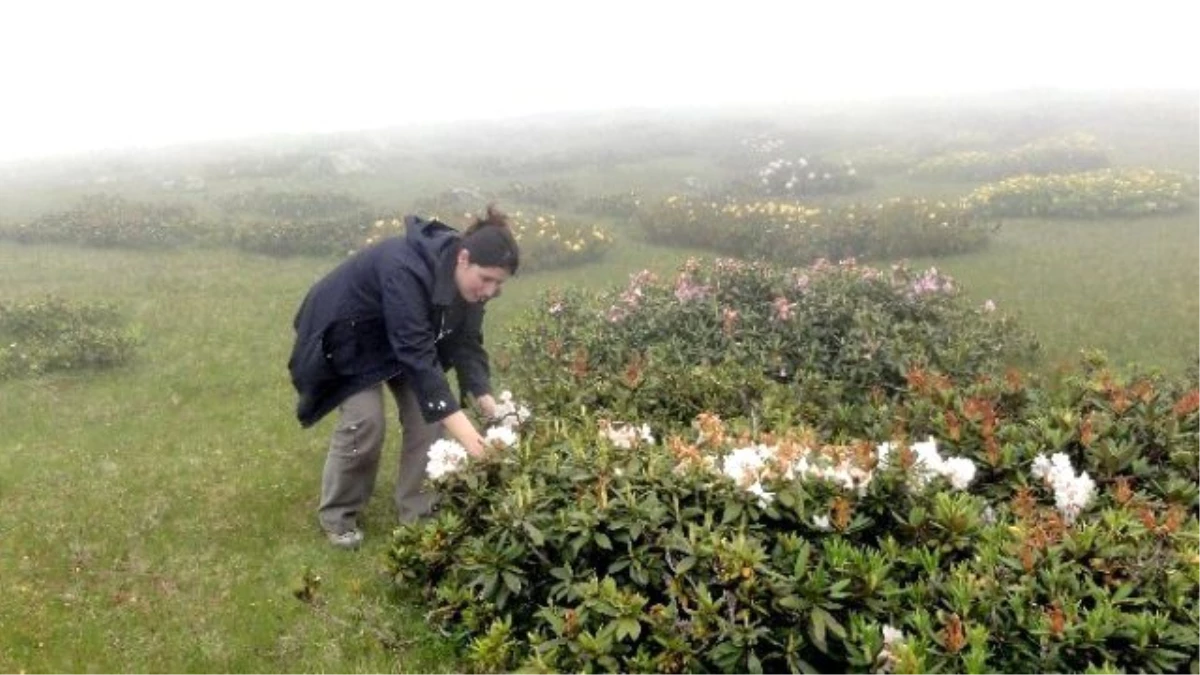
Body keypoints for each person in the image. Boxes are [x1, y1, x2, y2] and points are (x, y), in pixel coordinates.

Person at [287, 205, 519, 549]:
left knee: (429, 420)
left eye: (498, 285)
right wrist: (472, 440)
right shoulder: (405, 268)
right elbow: (418, 358)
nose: (489, 291)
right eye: (486, 279)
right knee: (365, 420)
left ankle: (418, 512)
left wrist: (488, 404)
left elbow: (466, 344)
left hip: (403, 339)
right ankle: (338, 515)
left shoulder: (470, 287)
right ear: (463, 258)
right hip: (350, 337)